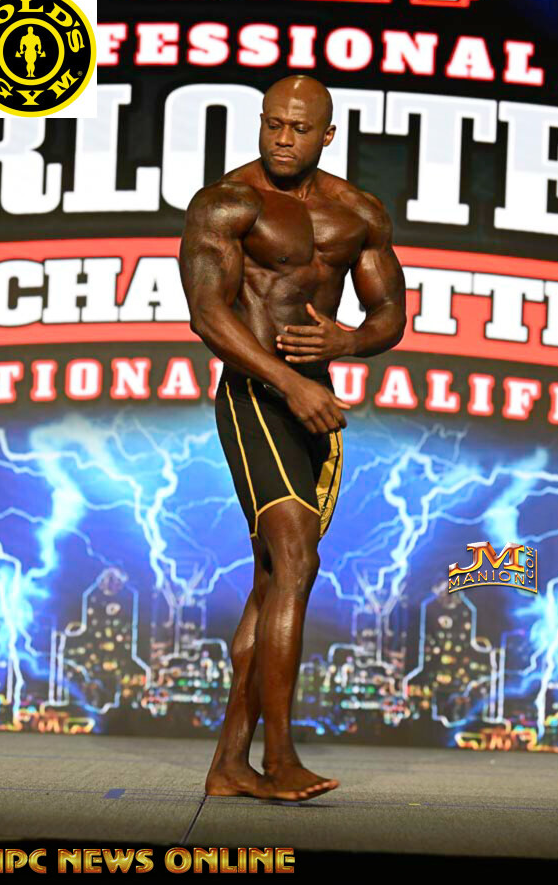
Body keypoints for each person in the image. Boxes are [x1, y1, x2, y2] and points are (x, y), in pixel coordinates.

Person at [179, 75, 406, 801]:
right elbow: (208, 314)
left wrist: (348, 341)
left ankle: (228, 765)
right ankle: (279, 760)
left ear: (327, 135)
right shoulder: (227, 202)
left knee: (274, 581)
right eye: (272, 123)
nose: (282, 138)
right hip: (256, 396)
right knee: (296, 560)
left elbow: (389, 312)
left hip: (316, 408)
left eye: (299, 128)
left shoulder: (358, 212)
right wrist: (290, 381)